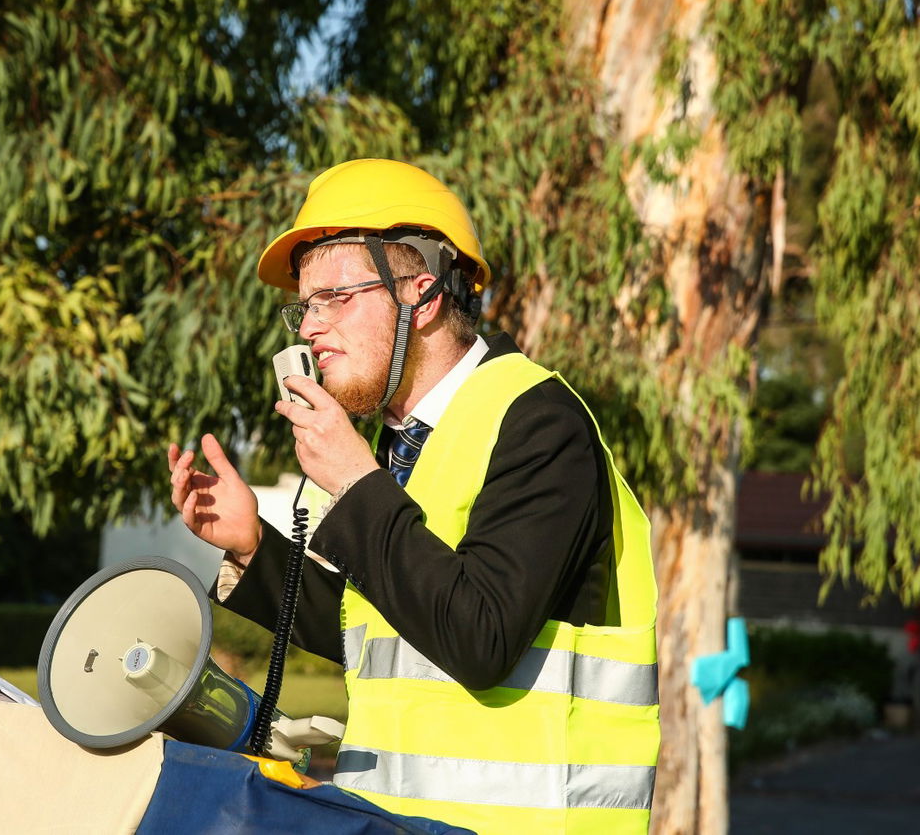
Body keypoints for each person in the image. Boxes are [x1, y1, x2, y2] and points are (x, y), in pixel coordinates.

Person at [167, 159, 659, 834]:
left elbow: (479, 635)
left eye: (334, 297)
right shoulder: (410, 448)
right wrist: (253, 543)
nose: (308, 328)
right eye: (303, 306)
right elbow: (389, 631)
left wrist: (356, 483)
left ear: (421, 295)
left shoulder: (540, 422)